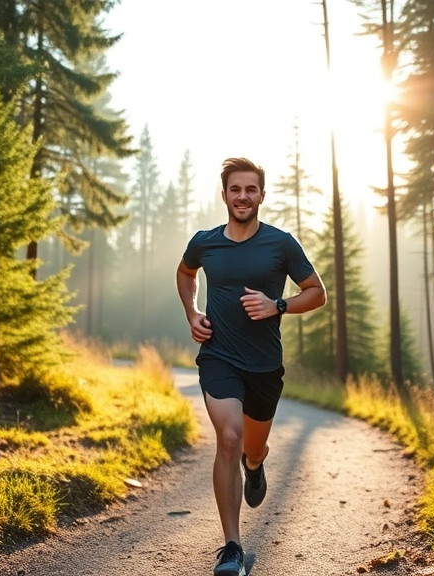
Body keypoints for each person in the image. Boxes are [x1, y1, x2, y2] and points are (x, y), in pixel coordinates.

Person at [175, 157, 327, 576]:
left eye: (251, 190)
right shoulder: (205, 242)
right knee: (228, 436)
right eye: (235, 189)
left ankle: (255, 466)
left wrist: (277, 304)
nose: (243, 197)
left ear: (262, 194)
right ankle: (231, 549)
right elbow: (185, 274)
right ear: (224, 194)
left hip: (264, 365)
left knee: (252, 447)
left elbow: (317, 293)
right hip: (219, 356)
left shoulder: (281, 244)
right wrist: (192, 313)